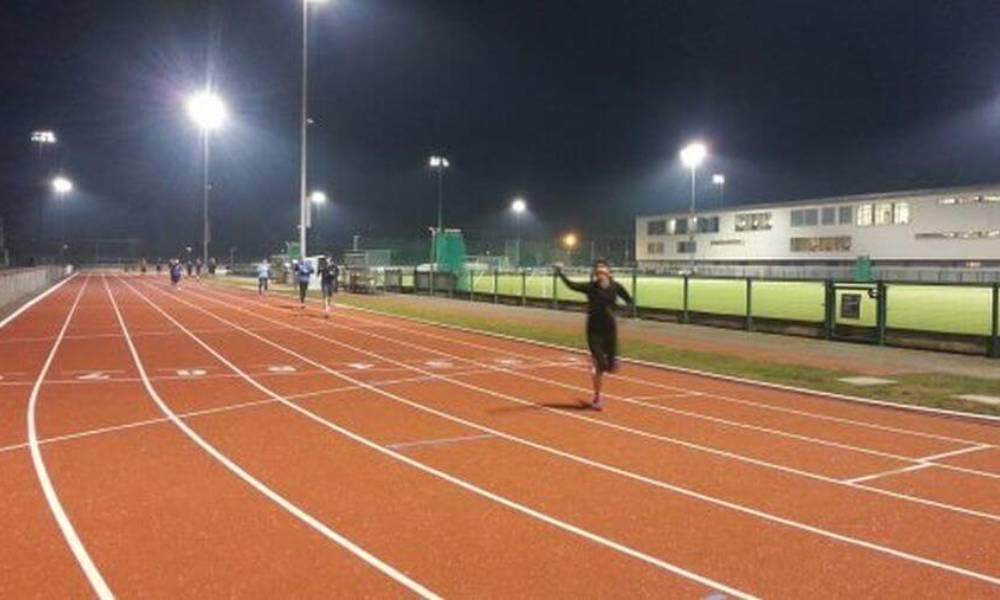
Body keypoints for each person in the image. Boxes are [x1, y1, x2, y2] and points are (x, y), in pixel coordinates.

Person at [555, 260, 633, 410]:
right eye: (597, 273)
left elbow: (630, 301)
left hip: (610, 331)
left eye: (603, 272)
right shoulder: (591, 287)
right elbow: (572, 285)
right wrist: (560, 274)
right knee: (600, 367)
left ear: (609, 273)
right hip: (594, 331)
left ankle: (609, 361)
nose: (600, 275)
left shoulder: (616, 287)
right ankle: (597, 397)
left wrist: (623, 311)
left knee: (611, 368)